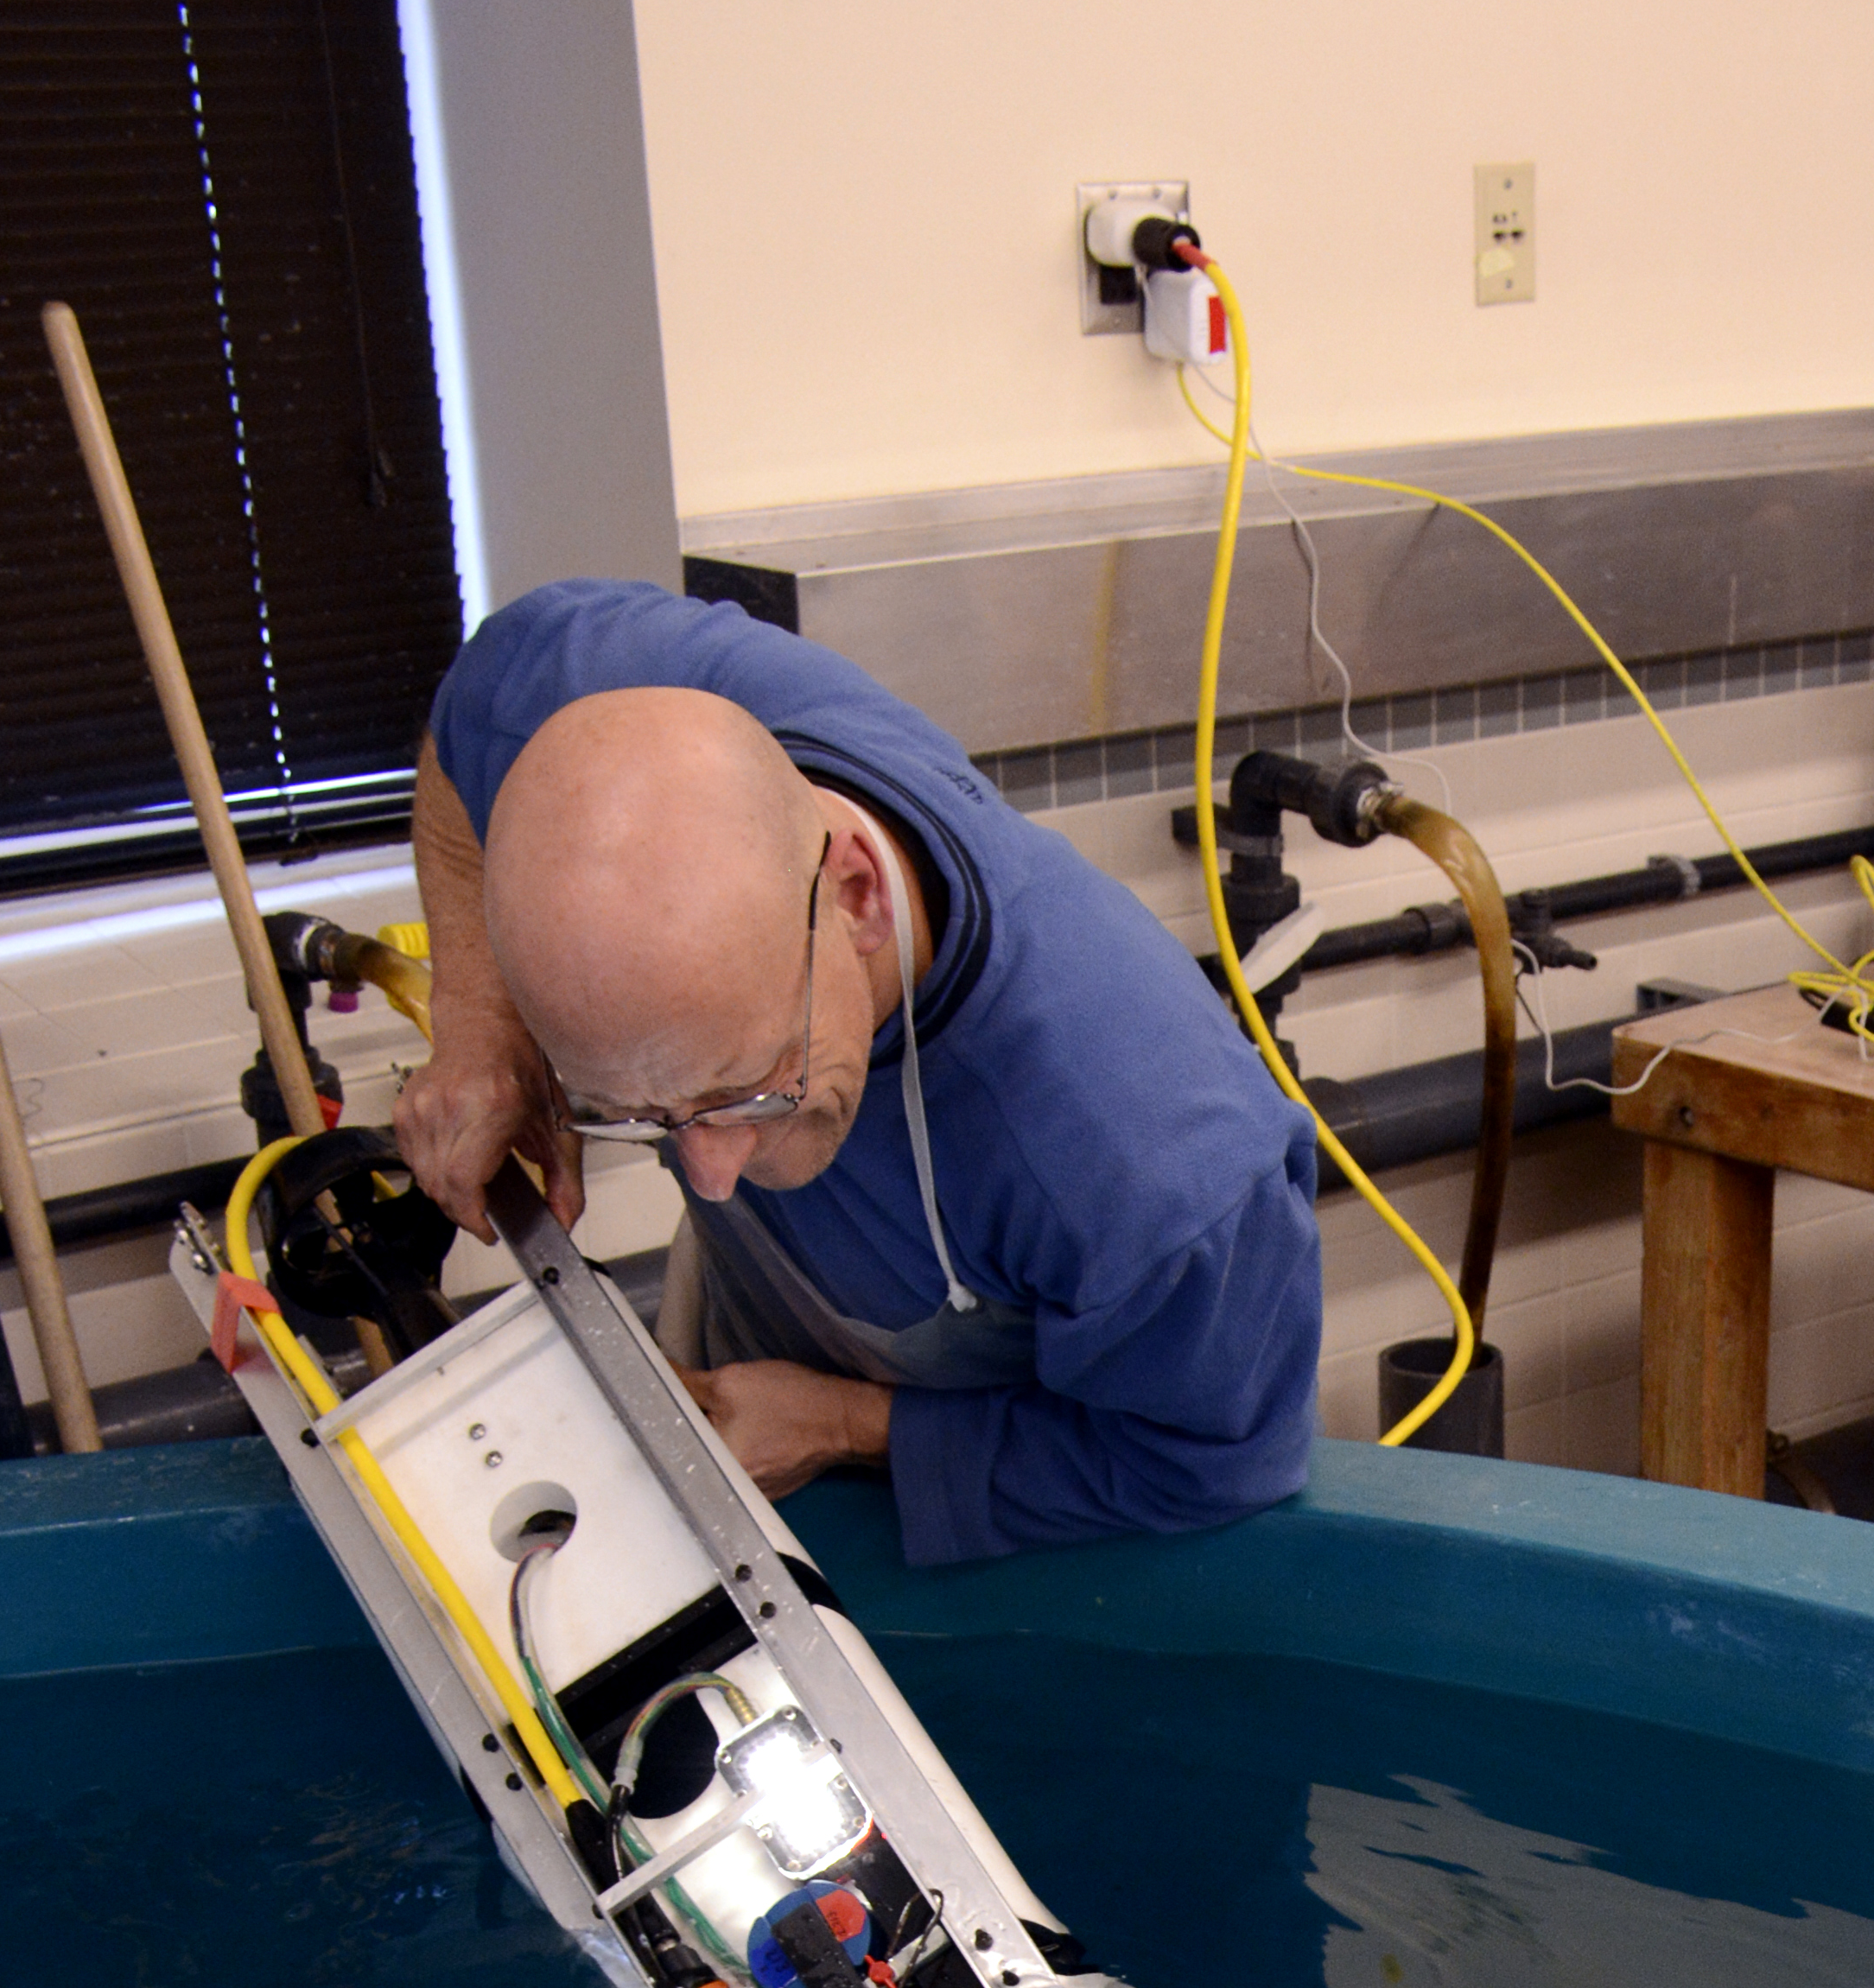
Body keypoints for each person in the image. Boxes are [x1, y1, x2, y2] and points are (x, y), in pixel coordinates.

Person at [391, 581, 1320, 1565]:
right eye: (638, 1119)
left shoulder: (1149, 1163)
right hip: (758, 1363)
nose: (709, 1175)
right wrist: (478, 1018)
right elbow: (472, 718)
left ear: (857, 896)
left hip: (1043, 1524)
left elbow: (1209, 1466)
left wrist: (844, 1424)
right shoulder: (608, 693)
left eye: (747, 1090)